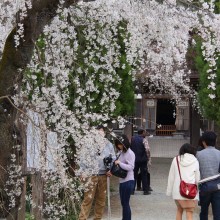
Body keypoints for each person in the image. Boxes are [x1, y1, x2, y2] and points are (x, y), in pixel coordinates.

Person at [78, 125, 116, 220]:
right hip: (91, 174)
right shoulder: (88, 144)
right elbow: (82, 158)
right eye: (98, 131)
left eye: (102, 131)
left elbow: (113, 158)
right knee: (88, 199)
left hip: (104, 174)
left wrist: (111, 169)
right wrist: (82, 172)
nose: (100, 133)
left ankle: (98, 218)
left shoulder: (109, 144)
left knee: (101, 199)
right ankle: (82, 218)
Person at [166, 143, 200, 220]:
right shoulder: (195, 161)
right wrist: (198, 190)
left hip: (178, 191)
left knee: (179, 210)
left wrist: (169, 191)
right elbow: (197, 178)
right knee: (189, 212)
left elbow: (171, 176)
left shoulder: (176, 160)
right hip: (191, 191)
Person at [196, 131, 220, 220]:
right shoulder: (219, 154)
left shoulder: (198, 154)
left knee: (203, 212)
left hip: (204, 187)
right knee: (218, 213)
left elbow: (196, 171)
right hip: (218, 187)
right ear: (215, 141)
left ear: (204, 142)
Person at [114, 134, 135, 220]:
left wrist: (120, 163)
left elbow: (131, 167)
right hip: (122, 180)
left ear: (124, 143)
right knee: (123, 203)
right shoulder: (121, 152)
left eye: (120, 144)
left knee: (125, 203)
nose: (119, 146)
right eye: (117, 144)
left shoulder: (130, 153)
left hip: (128, 180)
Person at [131, 128, 150, 195]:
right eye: (144, 132)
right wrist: (148, 158)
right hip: (143, 160)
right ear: (142, 133)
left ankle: (132, 190)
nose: (145, 134)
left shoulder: (133, 139)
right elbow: (147, 150)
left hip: (134, 160)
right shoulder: (144, 140)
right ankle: (146, 190)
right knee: (144, 175)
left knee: (133, 175)